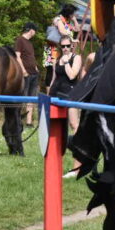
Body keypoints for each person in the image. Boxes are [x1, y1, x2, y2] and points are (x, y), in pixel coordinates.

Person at [49, 36, 83, 178]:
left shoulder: (76, 58)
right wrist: (48, 96)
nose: (65, 49)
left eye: (68, 46)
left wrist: (66, 62)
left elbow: (72, 76)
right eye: (62, 46)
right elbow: (54, 79)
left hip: (70, 95)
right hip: (56, 96)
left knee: (74, 126)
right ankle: (55, 164)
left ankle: (77, 167)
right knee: (57, 128)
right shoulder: (57, 60)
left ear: (72, 46)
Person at [45, 4, 80, 84]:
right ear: (68, 13)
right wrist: (72, 39)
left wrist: (75, 20)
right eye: (73, 14)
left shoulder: (67, 22)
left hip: (62, 48)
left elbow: (77, 29)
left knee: (60, 69)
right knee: (51, 70)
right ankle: (49, 90)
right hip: (53, 47)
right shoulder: (58, 19)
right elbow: (62, 31)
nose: (74, 15)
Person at [13, 22, 39, 126]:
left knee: (31, 99)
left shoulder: (30, 43)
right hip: (25, 74)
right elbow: (17, 56)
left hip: (34, 74)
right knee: (22, 98)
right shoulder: (20, 40)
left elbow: (31, 57)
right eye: (35, 30)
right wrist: (23, 71)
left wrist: (36, 68)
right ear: (31, 30)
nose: (35, 32)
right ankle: (16, 120)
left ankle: (29, 122)